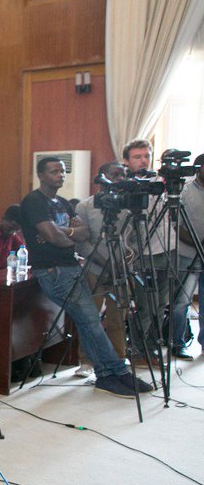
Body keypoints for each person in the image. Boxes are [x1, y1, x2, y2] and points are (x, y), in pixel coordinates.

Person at [20, 157, 152, 397]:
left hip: (71, 268)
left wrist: (63, 232)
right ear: (40, 175)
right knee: (91, 321)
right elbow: (56, 237)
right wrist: (68, 234)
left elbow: (84, 234)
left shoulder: (62, 202)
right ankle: (116, 372)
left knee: (88, 321)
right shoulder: (34, 201)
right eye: (54, 171)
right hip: (53, 271)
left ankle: (107, 373)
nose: (60, 175)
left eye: (62, 171)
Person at [73, 161, 129, 373]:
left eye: (123, 175)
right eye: (115, 174)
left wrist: (125, 262)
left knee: (118, 318)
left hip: (122, 269)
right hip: (94, 269)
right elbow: (82, 242)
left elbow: (136, 238)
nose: (120, 179)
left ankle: (119, 359)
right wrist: (105, 264)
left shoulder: (128, 205)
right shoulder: (85, 206)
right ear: (101, 178)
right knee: (90, 317)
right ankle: (86, 361)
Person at [121, 139, 170, 353]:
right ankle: (139, 348)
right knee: (146, 305)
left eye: (146, 156)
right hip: (142, 253)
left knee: (160, 304)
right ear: (126, 160)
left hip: (166, 249)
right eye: (137, 157)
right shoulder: (125, 186)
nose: (143, 161)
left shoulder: (160, 183)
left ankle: (153, 345)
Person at [170, 154, 204, 360]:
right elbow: (176, 225)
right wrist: (198, 244)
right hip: (187, 254)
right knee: (181, 302)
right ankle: (177, 343)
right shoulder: (185, 191)